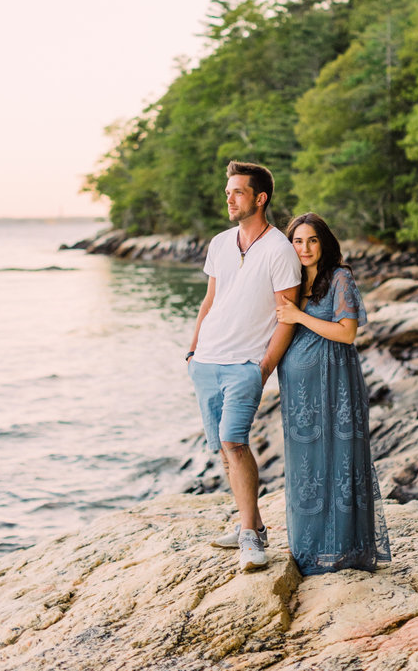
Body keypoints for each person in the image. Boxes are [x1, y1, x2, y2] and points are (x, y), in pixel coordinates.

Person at [186, 161, 301, 572]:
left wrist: (263, 368)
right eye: (228, 192)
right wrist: (193, 351)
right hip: (206, 361)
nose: (230, 199)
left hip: (244, 365)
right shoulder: (220, 243)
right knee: (223, 447)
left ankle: (251, 535)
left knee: (234, 441)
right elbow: (210, 300)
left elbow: (287, 315)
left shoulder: (279, 250)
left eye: (238, 192)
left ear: (260, 198)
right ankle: (251, 524)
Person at [276, 212, 391, 575]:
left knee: (341, 457)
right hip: (299, 389)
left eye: (312, 240)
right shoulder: (290, 280)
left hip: (337, 381)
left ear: (324, 243)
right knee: (306, 463)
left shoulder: (340, 277)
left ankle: (344, 550)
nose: (305, 248)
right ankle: (308, 548)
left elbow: (347, 332)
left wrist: (299, 316)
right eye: (297, 241)